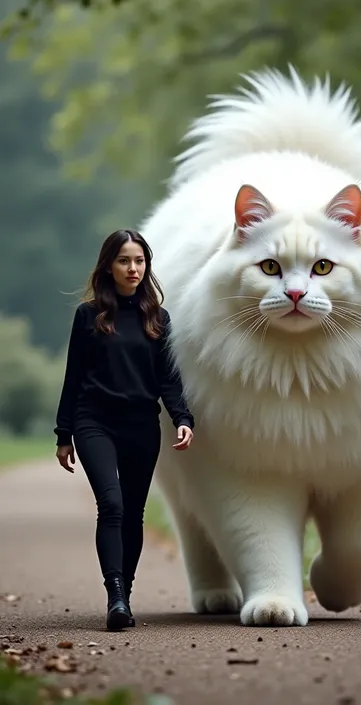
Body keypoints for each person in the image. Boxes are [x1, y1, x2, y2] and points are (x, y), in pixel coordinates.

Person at [54, 228, 194, 632]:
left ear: (146, 265)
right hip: (93, 421)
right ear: (108, 266)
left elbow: (168, 379)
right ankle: (114, 592)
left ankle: (125, 596)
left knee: (133, 512)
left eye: (139, 261)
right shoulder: (89, 315)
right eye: (123, 261)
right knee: (111, 505)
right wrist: (64, 434)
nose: (133, 268)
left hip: (140, 425)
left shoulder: (157, 318)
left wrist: (183, 418)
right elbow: (73, 377)